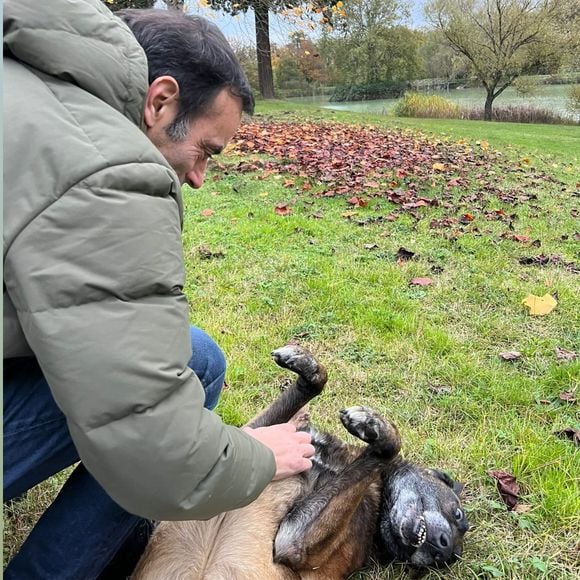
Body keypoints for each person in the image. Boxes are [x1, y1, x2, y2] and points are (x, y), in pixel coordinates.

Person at [3, 1, 315, 578]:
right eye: (205, 150)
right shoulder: (104, 170)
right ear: (159, 100)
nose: (197, 177)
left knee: (194, 353)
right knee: (196, 367)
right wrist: (253, 457)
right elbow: (150, 445)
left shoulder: (22, 80)